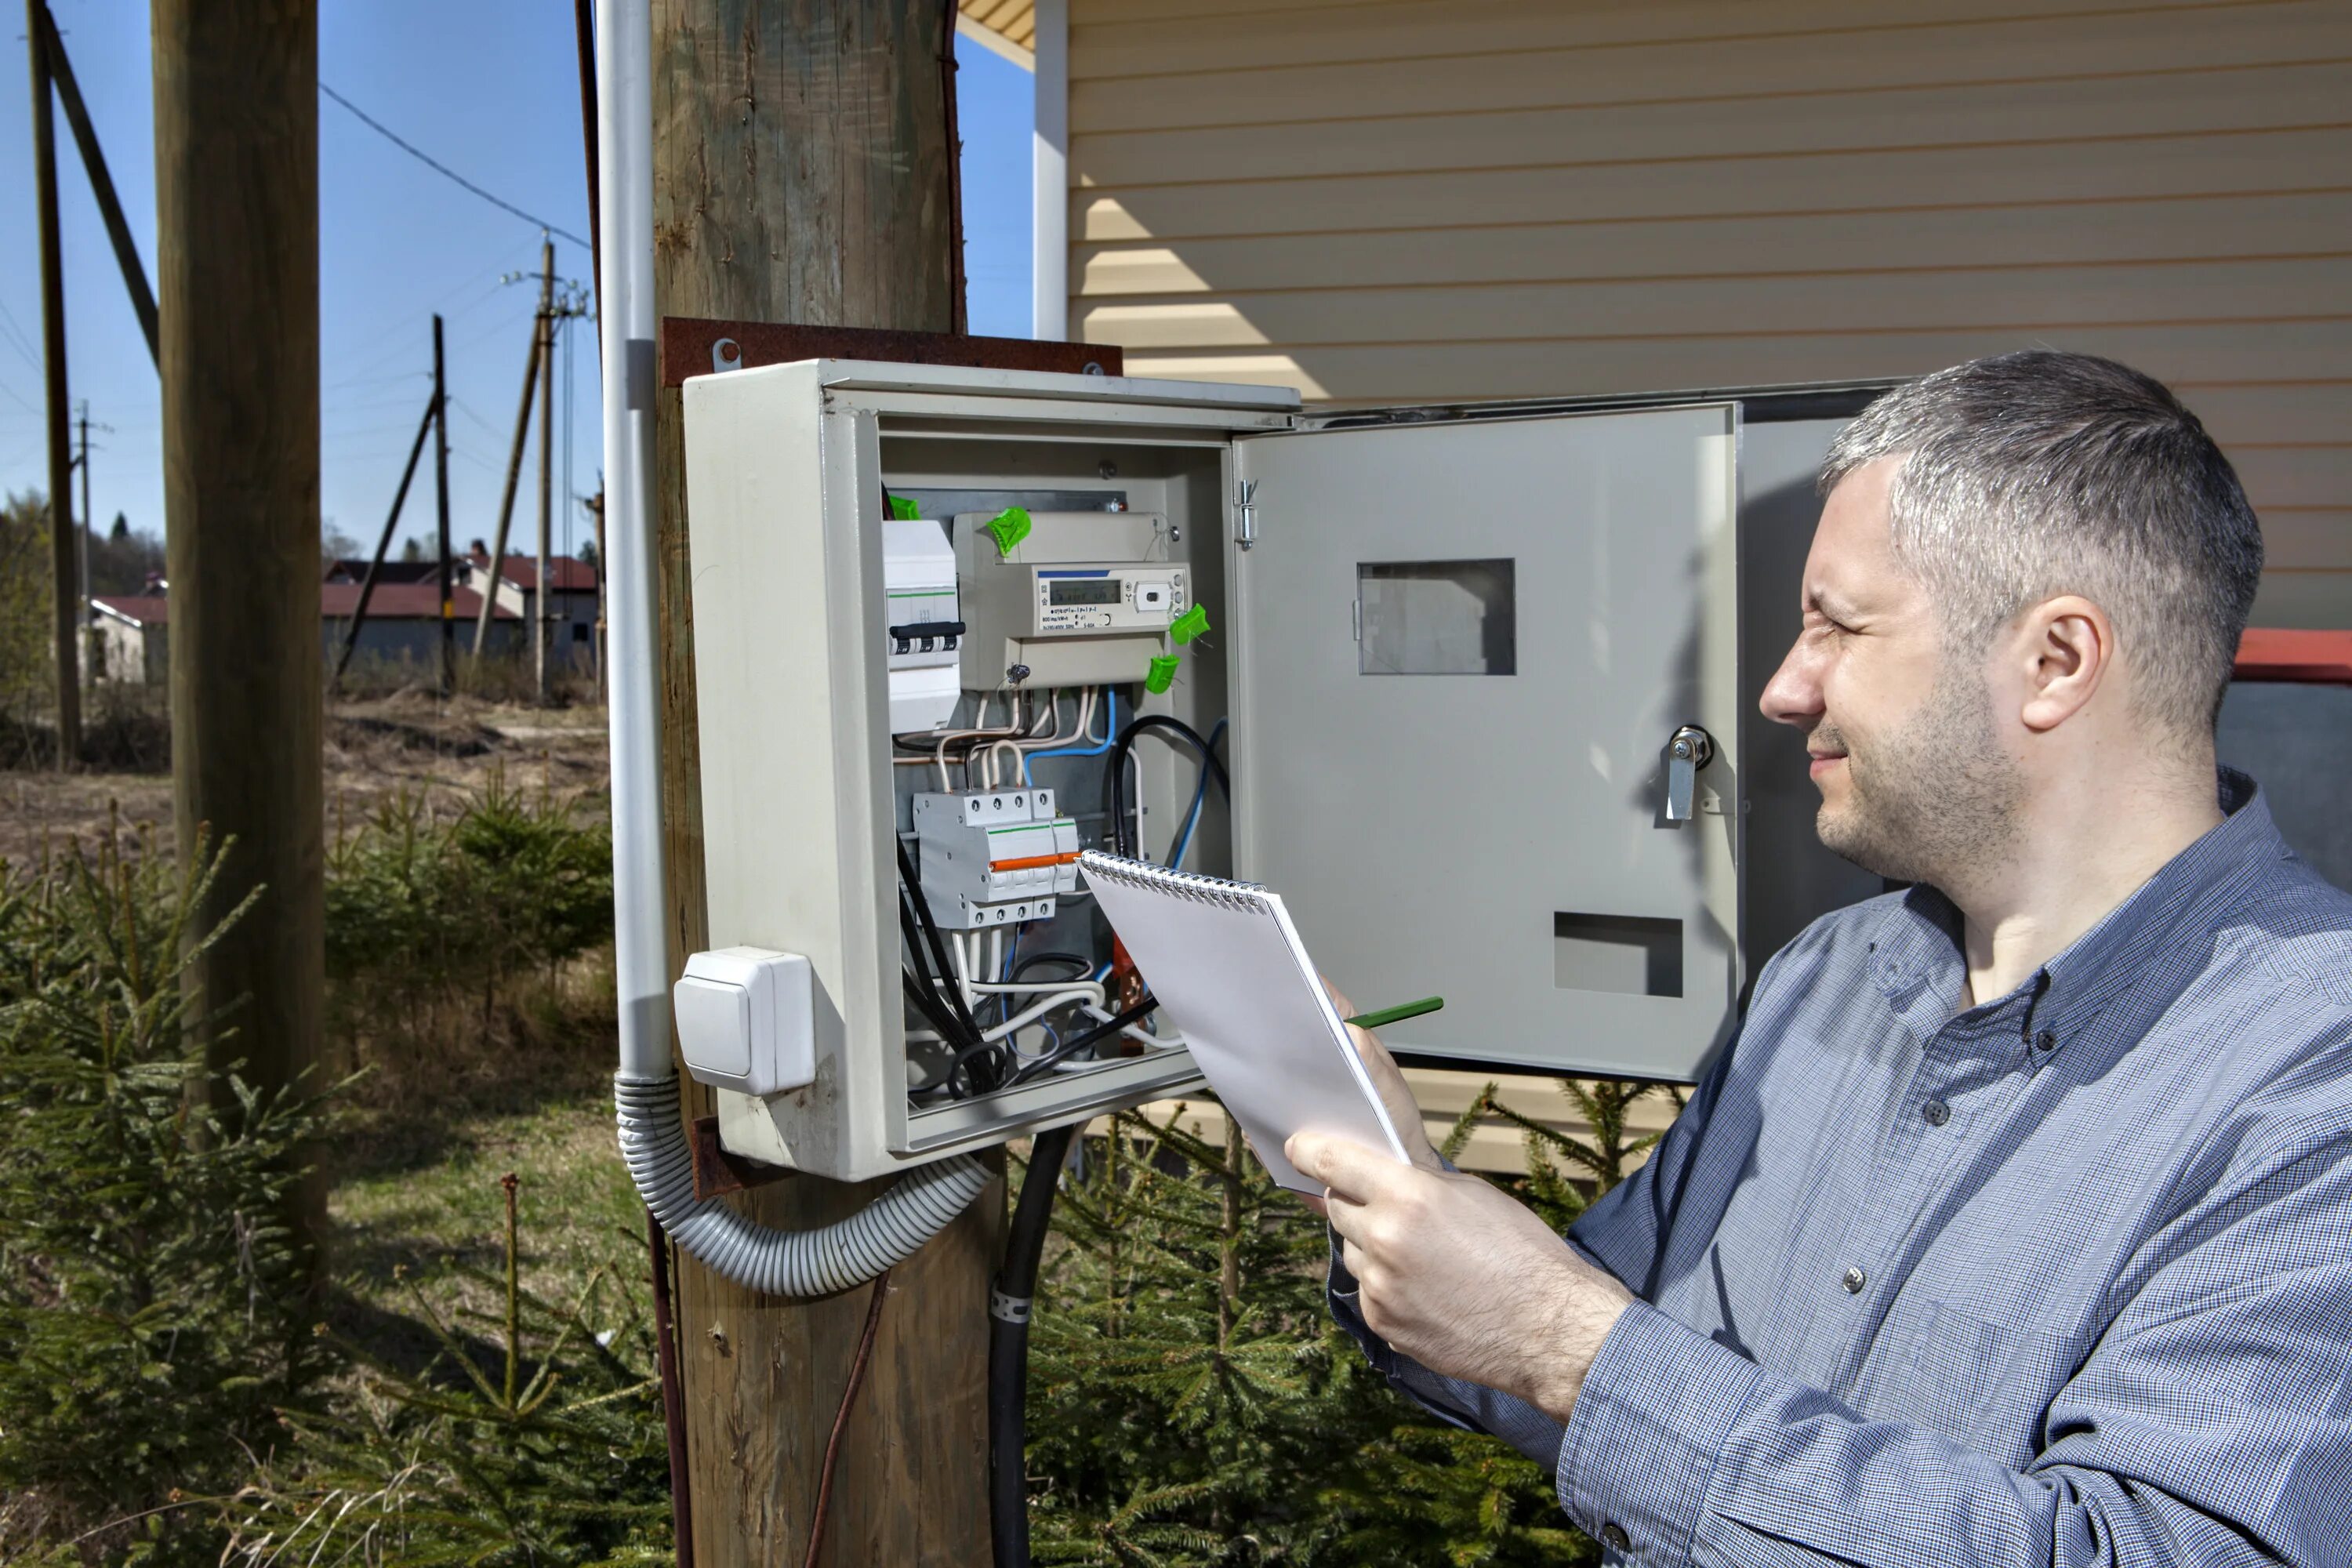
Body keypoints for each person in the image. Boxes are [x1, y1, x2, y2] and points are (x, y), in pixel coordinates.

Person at [1289, 350, 2352, 1565]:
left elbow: (2146, 1550)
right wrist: (1400, 1195)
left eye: (1837, 627)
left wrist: (1570, 1348)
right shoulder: (1828, 975)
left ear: (2056, 662)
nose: (1784, 690)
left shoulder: (2314, 1085)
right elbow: (1601, 1339)